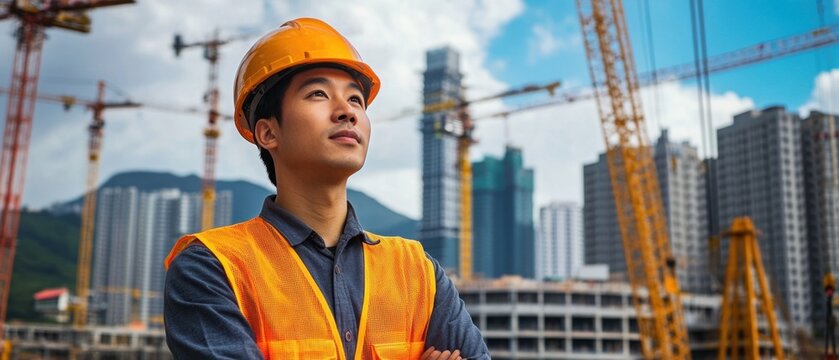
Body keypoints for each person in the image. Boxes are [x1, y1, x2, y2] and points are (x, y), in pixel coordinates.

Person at [163, 18, 489, 360]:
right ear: (268, 133)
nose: (347, 111)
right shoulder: (211, 267)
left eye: (356, 99)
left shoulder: (418, 271)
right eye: (318, 94)